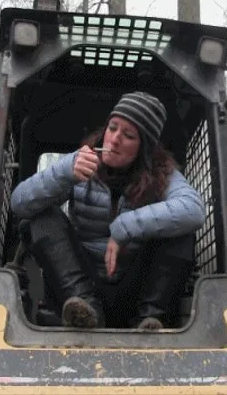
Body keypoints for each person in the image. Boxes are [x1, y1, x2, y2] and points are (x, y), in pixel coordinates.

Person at [10, 91, 205, 330]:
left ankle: (149, 319)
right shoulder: (80, 162)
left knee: (181, 231)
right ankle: (87, 310)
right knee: (41, 217)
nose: (114, 139)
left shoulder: (163, 174)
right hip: (77, 289)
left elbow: (193, 210)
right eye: (112, 128)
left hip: (134, 286)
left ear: (144, 147)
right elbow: (20, 203)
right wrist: (64, 171)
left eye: (128, 135)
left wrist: (125, 227)